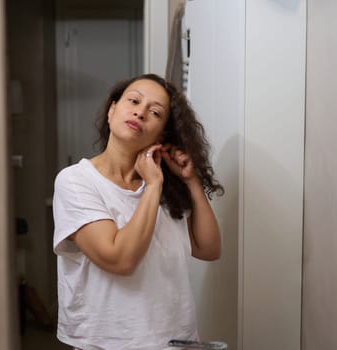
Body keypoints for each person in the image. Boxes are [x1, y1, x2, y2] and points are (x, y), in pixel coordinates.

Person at [52, 73, 224, 350]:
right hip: (107, 342)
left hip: (176, 339)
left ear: (163, 133)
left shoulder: (169, 185)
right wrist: (153, 185)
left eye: (155, 112)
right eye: (133, 101)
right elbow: (120, 260)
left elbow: (209, 248)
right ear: (112, 110)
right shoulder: (76, 181)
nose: (140, 112)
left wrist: (191, 182)